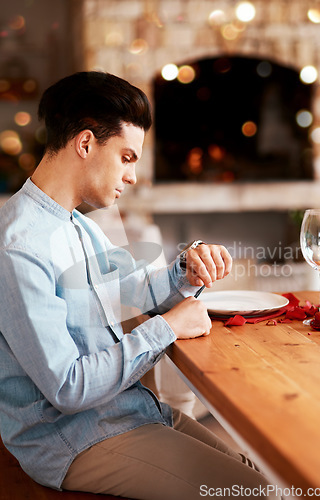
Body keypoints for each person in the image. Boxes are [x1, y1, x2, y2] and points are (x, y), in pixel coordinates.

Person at [0, 71, 278, 500]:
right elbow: (68, 387)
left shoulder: (77, 226)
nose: (131, 176)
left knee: (252, 476)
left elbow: (131, 290)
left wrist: (186, 269)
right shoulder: (20, 246)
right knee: (251, 494)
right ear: (86, 143)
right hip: (74, 441)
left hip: (127, 413)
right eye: (127, 157)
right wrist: (167, 326)